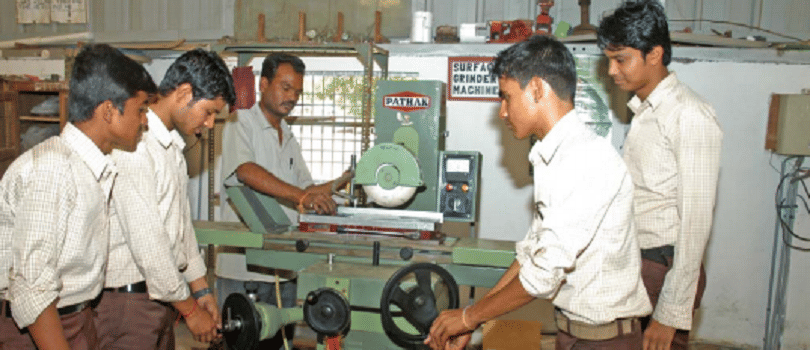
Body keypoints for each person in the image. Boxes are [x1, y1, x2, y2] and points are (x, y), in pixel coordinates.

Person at [426, 35, 652, 350]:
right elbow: (532, 254)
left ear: (536, 89)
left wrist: (469, 317)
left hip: (605, 340)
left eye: (506, 97)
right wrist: (473, 318)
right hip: (572, 333)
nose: (503, 112)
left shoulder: (583, 160)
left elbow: (543, 276)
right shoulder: (553, 156)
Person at [0, 44, 154, 350]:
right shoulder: (53, 169)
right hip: (40, 330)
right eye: (141, 110)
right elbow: (32, 287)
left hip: (76, 318)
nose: (145, 121)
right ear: (109, 111)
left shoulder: (88, 167)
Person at [597, 2, 723, 350]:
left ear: (654, 54)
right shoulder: (646, 112)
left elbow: (696, 221)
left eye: (621, 59)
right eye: (609, 59)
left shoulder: (689, 115)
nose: (611, 70)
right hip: (638, 262)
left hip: (663, 267)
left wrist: (671, 312)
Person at [95, 49, 235, 349]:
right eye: (209, 111)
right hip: (126, 304)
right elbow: (149, 245)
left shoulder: (171, 150)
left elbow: (182, 231)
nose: (210, 123)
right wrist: (191, 311)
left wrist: (201, 290)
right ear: (184, 93)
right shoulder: (135, 146)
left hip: (160, 299)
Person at [220, 53, 350, 225]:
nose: (293, 98)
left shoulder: (288, 136)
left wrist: (344, 180)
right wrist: (303, 197)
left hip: (279, 242)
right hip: (244, 245)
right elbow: (246, 171)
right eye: (286, 88)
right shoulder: (241, 122)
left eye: (298, 92)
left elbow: (307, 190)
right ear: (264, 85)